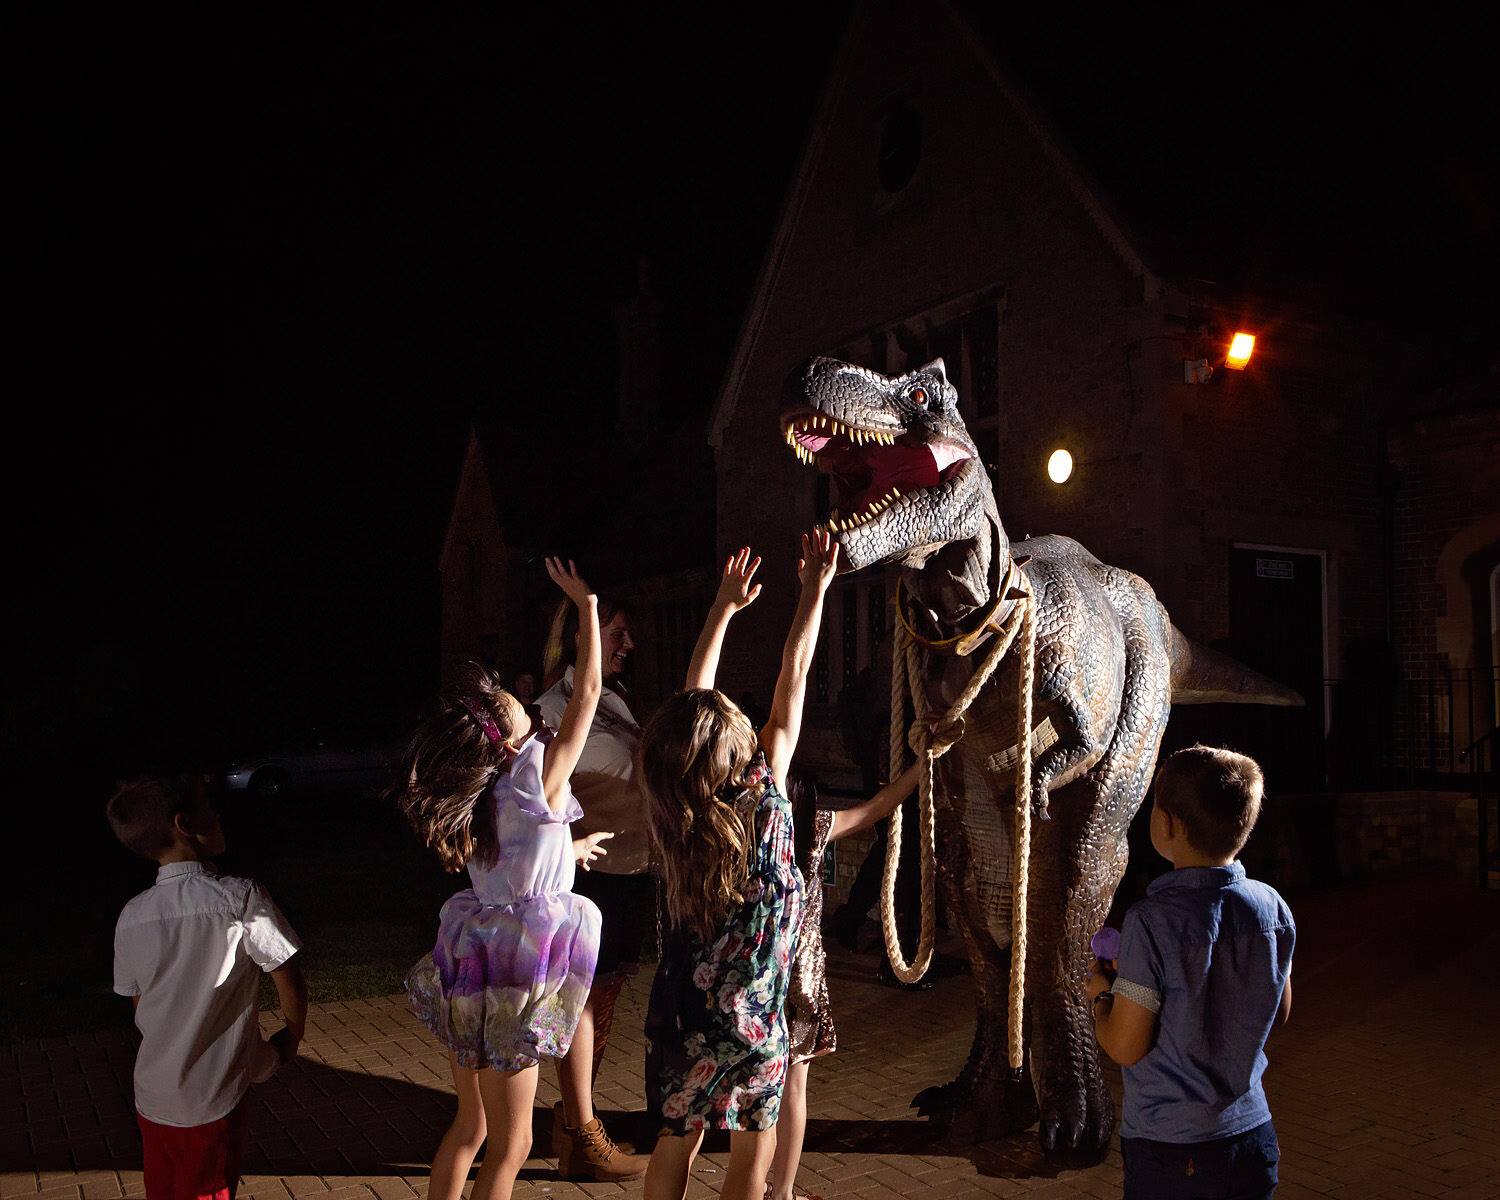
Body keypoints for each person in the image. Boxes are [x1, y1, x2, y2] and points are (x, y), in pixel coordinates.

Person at [397, 558, 646, 1200]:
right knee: (514, 1144)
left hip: (472, 964)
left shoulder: (485, 799)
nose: (522, 705)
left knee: (471, 1127)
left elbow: (519, 856)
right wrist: (587, 608)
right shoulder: (537, 780)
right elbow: (586, 694)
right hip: (514, 976)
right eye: (512, 708)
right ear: (504, 740)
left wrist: (573, 844)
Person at [637, 534, 838, 1200]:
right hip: (754, 1029)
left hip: (682, 1019)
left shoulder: (679, 822)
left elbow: (687, 725)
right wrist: (813, 591)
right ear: (734, 757)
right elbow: (794, 678)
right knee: (751, 1161)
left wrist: (722, 611)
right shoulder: (767, 809)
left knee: (676, 1144)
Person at [1088, 745, 1295, 1200]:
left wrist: (1104, 996)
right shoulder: (1272, 908)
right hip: (1252, 1139)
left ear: (1165, 824)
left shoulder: (1150, 922)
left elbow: (1124, 1045)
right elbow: (1275, 1012)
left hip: (1173, 1151)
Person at [109, 772, 307, 1200]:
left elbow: (139, 1002)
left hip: (153, 1097)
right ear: (185, 825)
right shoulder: (239, 898)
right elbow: (287, 973)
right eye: (208, 806)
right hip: (210, 1102)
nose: (218, 813)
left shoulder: (132, 915)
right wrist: (291, 1038)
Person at [536, 586, 655, 1161]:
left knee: (602, 1001)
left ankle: (572, 1119)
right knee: (580, 1000)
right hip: (591, 877)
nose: (630, 644)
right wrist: (567, 846)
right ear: (583, 635)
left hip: (633, 869)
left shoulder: (617, 701)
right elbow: (534, 804)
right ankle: (580, 1130)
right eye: (617, 633)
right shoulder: (553, 711)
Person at [768, 759, 922, 1200]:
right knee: (795, 1085)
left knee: (759, 1085)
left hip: (759, 974)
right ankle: (782, 1193)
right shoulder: (814, 828)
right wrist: (920, 766)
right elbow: (877, 807)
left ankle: (755, 1181)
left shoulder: (752, 832)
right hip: (801, 978)